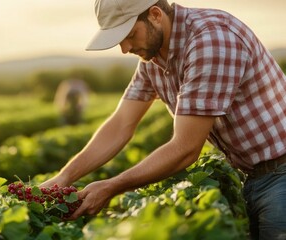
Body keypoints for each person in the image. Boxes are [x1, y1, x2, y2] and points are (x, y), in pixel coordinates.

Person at [40, 0, 286, 239]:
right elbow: (120, 124)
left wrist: (112, 186)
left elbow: (185, 148)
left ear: (155, 15)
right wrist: (65, 176)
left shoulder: (211, 40)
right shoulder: (153, 56)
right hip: (254, 174)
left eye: (129, 34)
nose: (125, 48)